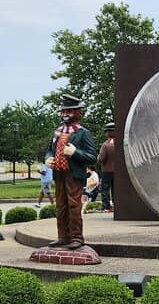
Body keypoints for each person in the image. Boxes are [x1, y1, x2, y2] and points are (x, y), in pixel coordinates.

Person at [43, 94, 98, 250]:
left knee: (74, 206)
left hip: (74, 175)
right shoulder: (57, 131)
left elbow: (92, 156)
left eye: (69, 111)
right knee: (60, 206)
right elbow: (49, 151)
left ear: (77, 112)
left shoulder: (82, 133)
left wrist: (75, 152)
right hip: (59, 174)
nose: (65, 114)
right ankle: (63, 236)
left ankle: (76, 238)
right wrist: (48, 159)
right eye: (63, 111)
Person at [97, 122, 116, 211]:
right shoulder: (119, 143)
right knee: (115, 188)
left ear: (107, 133)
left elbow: (101, 158)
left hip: (106, 170)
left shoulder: (105, 144)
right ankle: (117, 204)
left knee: (105, 188)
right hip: (117, 170)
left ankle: (106, 205)